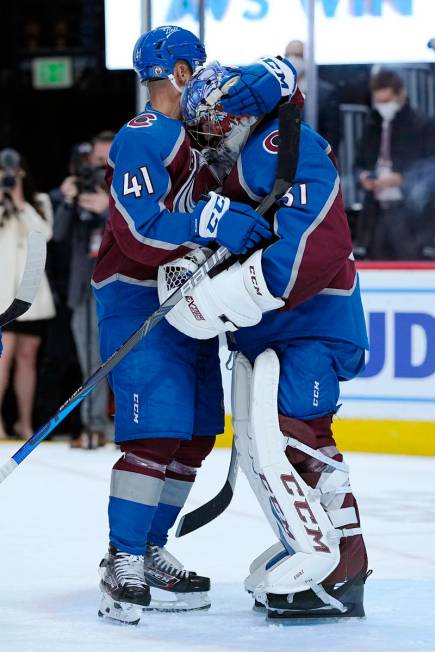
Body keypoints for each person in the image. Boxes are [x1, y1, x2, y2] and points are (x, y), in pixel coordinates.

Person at [92, 26, 298, 624]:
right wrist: (208, 221)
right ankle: (122, 557)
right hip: (137, 297)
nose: (206, 78)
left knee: (194, 435)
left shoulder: (204, 138)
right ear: (179, 72)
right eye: (197, 67)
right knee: (154, 431)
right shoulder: (145, 136)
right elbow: (136, 231)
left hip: (190, 299)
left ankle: (151, 548)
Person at [169, 61, 370, 621]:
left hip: (312, 325)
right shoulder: (243, 159)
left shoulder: (284, 144)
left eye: (213, 120)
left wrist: (227, 293)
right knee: (267, 444)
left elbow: (316, 243)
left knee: (295, 437)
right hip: (271, 329)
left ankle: (338, 568)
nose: (207, 133)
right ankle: (319, 553)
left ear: (243, 113)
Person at [53, 132, 114, 448]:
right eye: (95, 161)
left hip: (116, 287)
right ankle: (93, 425)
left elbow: (133, 230)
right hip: (81, 287)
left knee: (114, 359)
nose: (99, 167)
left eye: (105, 160)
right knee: (88, 359)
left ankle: (116, 426)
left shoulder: (124, 190)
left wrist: (107, 208)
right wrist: (67, 199)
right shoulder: (80, 187)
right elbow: (58, 233)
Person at [0, 148, 55, 440]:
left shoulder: (40, 202)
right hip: (1, 296)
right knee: (2, 357)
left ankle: (24, 421)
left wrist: (20, 203)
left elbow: (44, 235)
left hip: (31, 295)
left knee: (27, 358)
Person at [354, 68, 435, 259]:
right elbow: (359, 163)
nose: (383, 106)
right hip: (375, 212)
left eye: (387, 101)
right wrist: (363, 177)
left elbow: (431, 165)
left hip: (410, 213)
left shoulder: (421, 125)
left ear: (401, 95)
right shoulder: (371, 125)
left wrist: (403, 178)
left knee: (410, 263)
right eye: (379, 102)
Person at [284, 39, 341, 152]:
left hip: (314, 155)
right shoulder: (278, 90)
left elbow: (332, 133)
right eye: (288, 55)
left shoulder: (325, 93)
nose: (293, 59)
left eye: (298, 55)